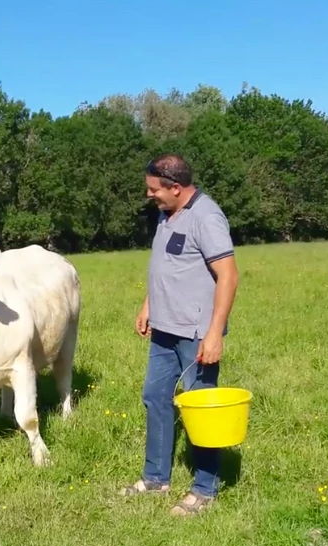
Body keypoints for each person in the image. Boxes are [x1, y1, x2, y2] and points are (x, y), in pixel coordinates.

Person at [119, 153, 239, 516]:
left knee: (201, 410)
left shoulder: (206, 217)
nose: (149, 195)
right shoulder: (166, 213)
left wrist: (214, 334)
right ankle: (156, 479)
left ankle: (204, 489)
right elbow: (166, 265)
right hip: (165, 328)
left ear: (175, 187)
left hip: (196, 333)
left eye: (153, 189)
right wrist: (148, 304)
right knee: (155, 397)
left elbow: (228, 276)